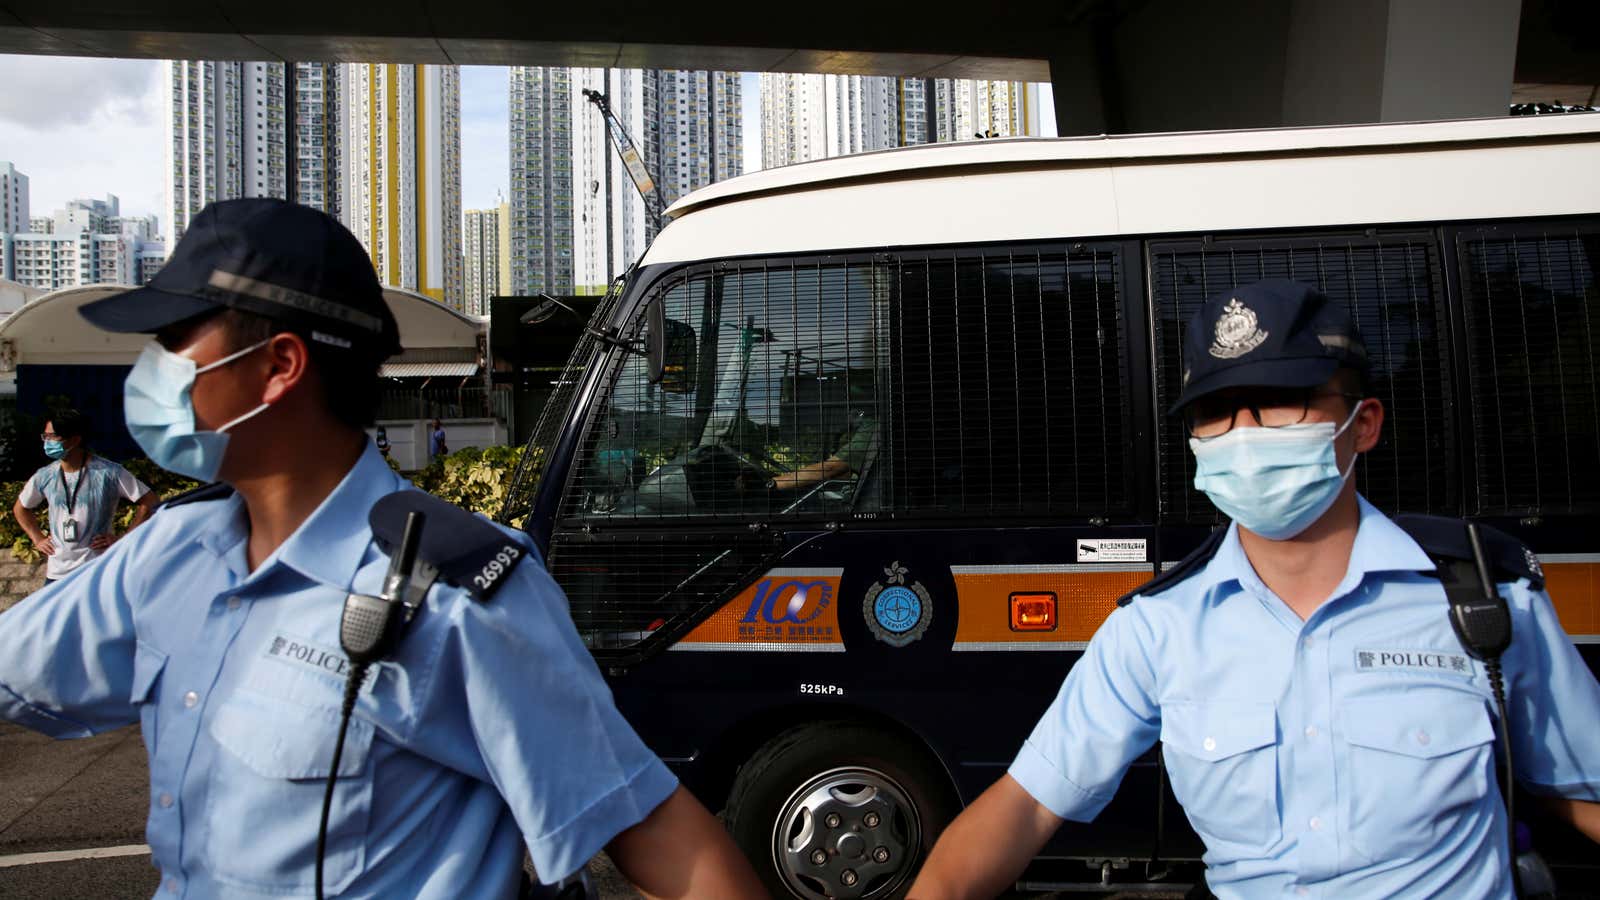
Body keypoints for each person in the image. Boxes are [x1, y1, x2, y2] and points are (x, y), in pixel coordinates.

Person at [0, 199, 765, 899]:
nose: (152, 370)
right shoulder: (167, 553)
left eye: (174, 340)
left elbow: (654, 833)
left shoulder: (457, 593)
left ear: (279, 366)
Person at [909, 279, 1600, 899]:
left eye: (1278, 402)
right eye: (1215, 411)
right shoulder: (1160, 627)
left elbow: (1579, 788)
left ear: (1363, 423)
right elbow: (1025, 807)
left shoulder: (1481, 597)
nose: (1243, 434)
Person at [12, 408, 159, 585]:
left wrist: (123, 539)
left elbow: (149, 501)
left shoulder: (109, 472)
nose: (47, 442)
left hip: (97, 570)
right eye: (45, 436)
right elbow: (21, 508)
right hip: (57, 573)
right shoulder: (45, 475)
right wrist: (37, 538)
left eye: (53, 436)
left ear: (75, 439)